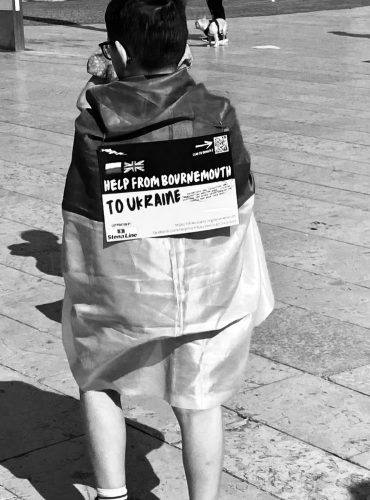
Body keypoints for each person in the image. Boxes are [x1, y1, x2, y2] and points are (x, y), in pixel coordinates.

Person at [61, 0, 274, 499]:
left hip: (123, 291)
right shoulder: (218, 113)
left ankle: (111, 495)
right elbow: (242, 203)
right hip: (203, 291)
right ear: (184, 50)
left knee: (98, 379)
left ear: (116, 50)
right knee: (200, 399)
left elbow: (82, 217)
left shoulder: (95, 123)